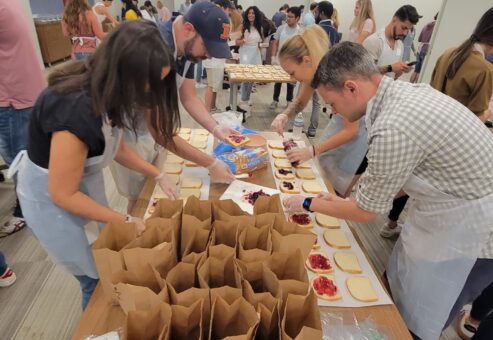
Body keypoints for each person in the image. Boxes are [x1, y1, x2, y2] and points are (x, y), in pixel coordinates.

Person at [10, 21, 232, 310]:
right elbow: (63, 194)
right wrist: (123, 219)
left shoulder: (108, 92)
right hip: (53, 204)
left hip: (79, 188)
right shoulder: (75, 110)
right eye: (150, 84)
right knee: (97, 278)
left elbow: (117, 147)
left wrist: (157, 173)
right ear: (127, 73)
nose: (152, 93)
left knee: (104, 254)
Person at [284, 41, 493, 340]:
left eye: (332, 104)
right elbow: (397, 181)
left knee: (420, 314)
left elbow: (366, 212)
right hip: (443, 211)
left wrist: (308, 201)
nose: (333, 111)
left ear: (351, 88)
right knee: (398, 288)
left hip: (474, 233)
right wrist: (353, 198)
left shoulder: (394, 126)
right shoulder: (401, 93)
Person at [273, 25, 367, 197]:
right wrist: (284, 115)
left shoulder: (338, 77)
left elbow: (351, 131)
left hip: (357, 140)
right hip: (339, 128)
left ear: (307, 60)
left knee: (335, 190)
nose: (291, 79)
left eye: (292, 72)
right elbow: (300, 101)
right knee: (321, 179)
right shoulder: (314, 72)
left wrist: (313, 150)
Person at [157, 1, 237, 141]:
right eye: (207, 47)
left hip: (159, 132)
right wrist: (211, 163)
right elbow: (154, 127)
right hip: (133, 135)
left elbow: (189, 97)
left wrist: (215, 127)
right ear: (188, 29)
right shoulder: (158, 49)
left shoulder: (187, 47)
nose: (209, 56)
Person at [0, 1, 46, 237]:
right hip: (25, 93)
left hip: (11, 98)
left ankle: (24, 211)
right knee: (27, 157)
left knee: (18, 162)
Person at [430, 8, 493, 123]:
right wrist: (489, 110)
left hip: (431, 122)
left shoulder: (447, 53)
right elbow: (475, 120)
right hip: (452, 133)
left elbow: (431, 90)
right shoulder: (485, 70)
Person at [363, 4, 421, 79]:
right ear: (394, 20)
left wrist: (402, 69)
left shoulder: (400, 45)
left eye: (408, 30)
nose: (405, 33)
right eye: (403, 28)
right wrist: (390, 68)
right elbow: (364, 72)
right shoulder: (374, 41)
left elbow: (393, 77)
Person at [203, 0, 235, 113]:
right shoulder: (221, 20)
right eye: (227, 9)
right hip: (213, 58)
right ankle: (208, 110)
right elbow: (223, 40)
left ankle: (212, 107)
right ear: (222, 8)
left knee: (214, 85)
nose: (228, 12)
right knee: (212, 86)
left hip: (215, 58)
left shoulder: (210, 18)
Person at [270, 6, 302, 110]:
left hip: (293, 62)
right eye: (287, 16)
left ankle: (289, 100)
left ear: (297, 18)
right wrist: (273, 57)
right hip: (280, 60)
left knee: (291, 82)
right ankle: (275, 99)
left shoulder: (300, 31)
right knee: (277, 81)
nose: (288, 18)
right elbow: (275, 43)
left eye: (291, 17)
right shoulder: (281, 28)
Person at [236, 6, 264, 107]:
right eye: (249, 13)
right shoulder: (242, 26)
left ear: (256, 15)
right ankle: (243, 100)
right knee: (245, 77)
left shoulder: (259, 27)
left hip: (255, 54)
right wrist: (244, 40)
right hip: (245, 53)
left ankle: (247, 99)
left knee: (252, 78)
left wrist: (261, 48)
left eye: (253, 13)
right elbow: (236, 42)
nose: (251, 15)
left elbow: (260, 42)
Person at [410, 12, 438, 83]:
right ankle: (416, 88)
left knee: (416, 70)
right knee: (421, 72)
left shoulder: (426, 26)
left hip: (420, 49)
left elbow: (419, 39)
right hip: (426, 50)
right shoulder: (436, 27)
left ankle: (410, 85)